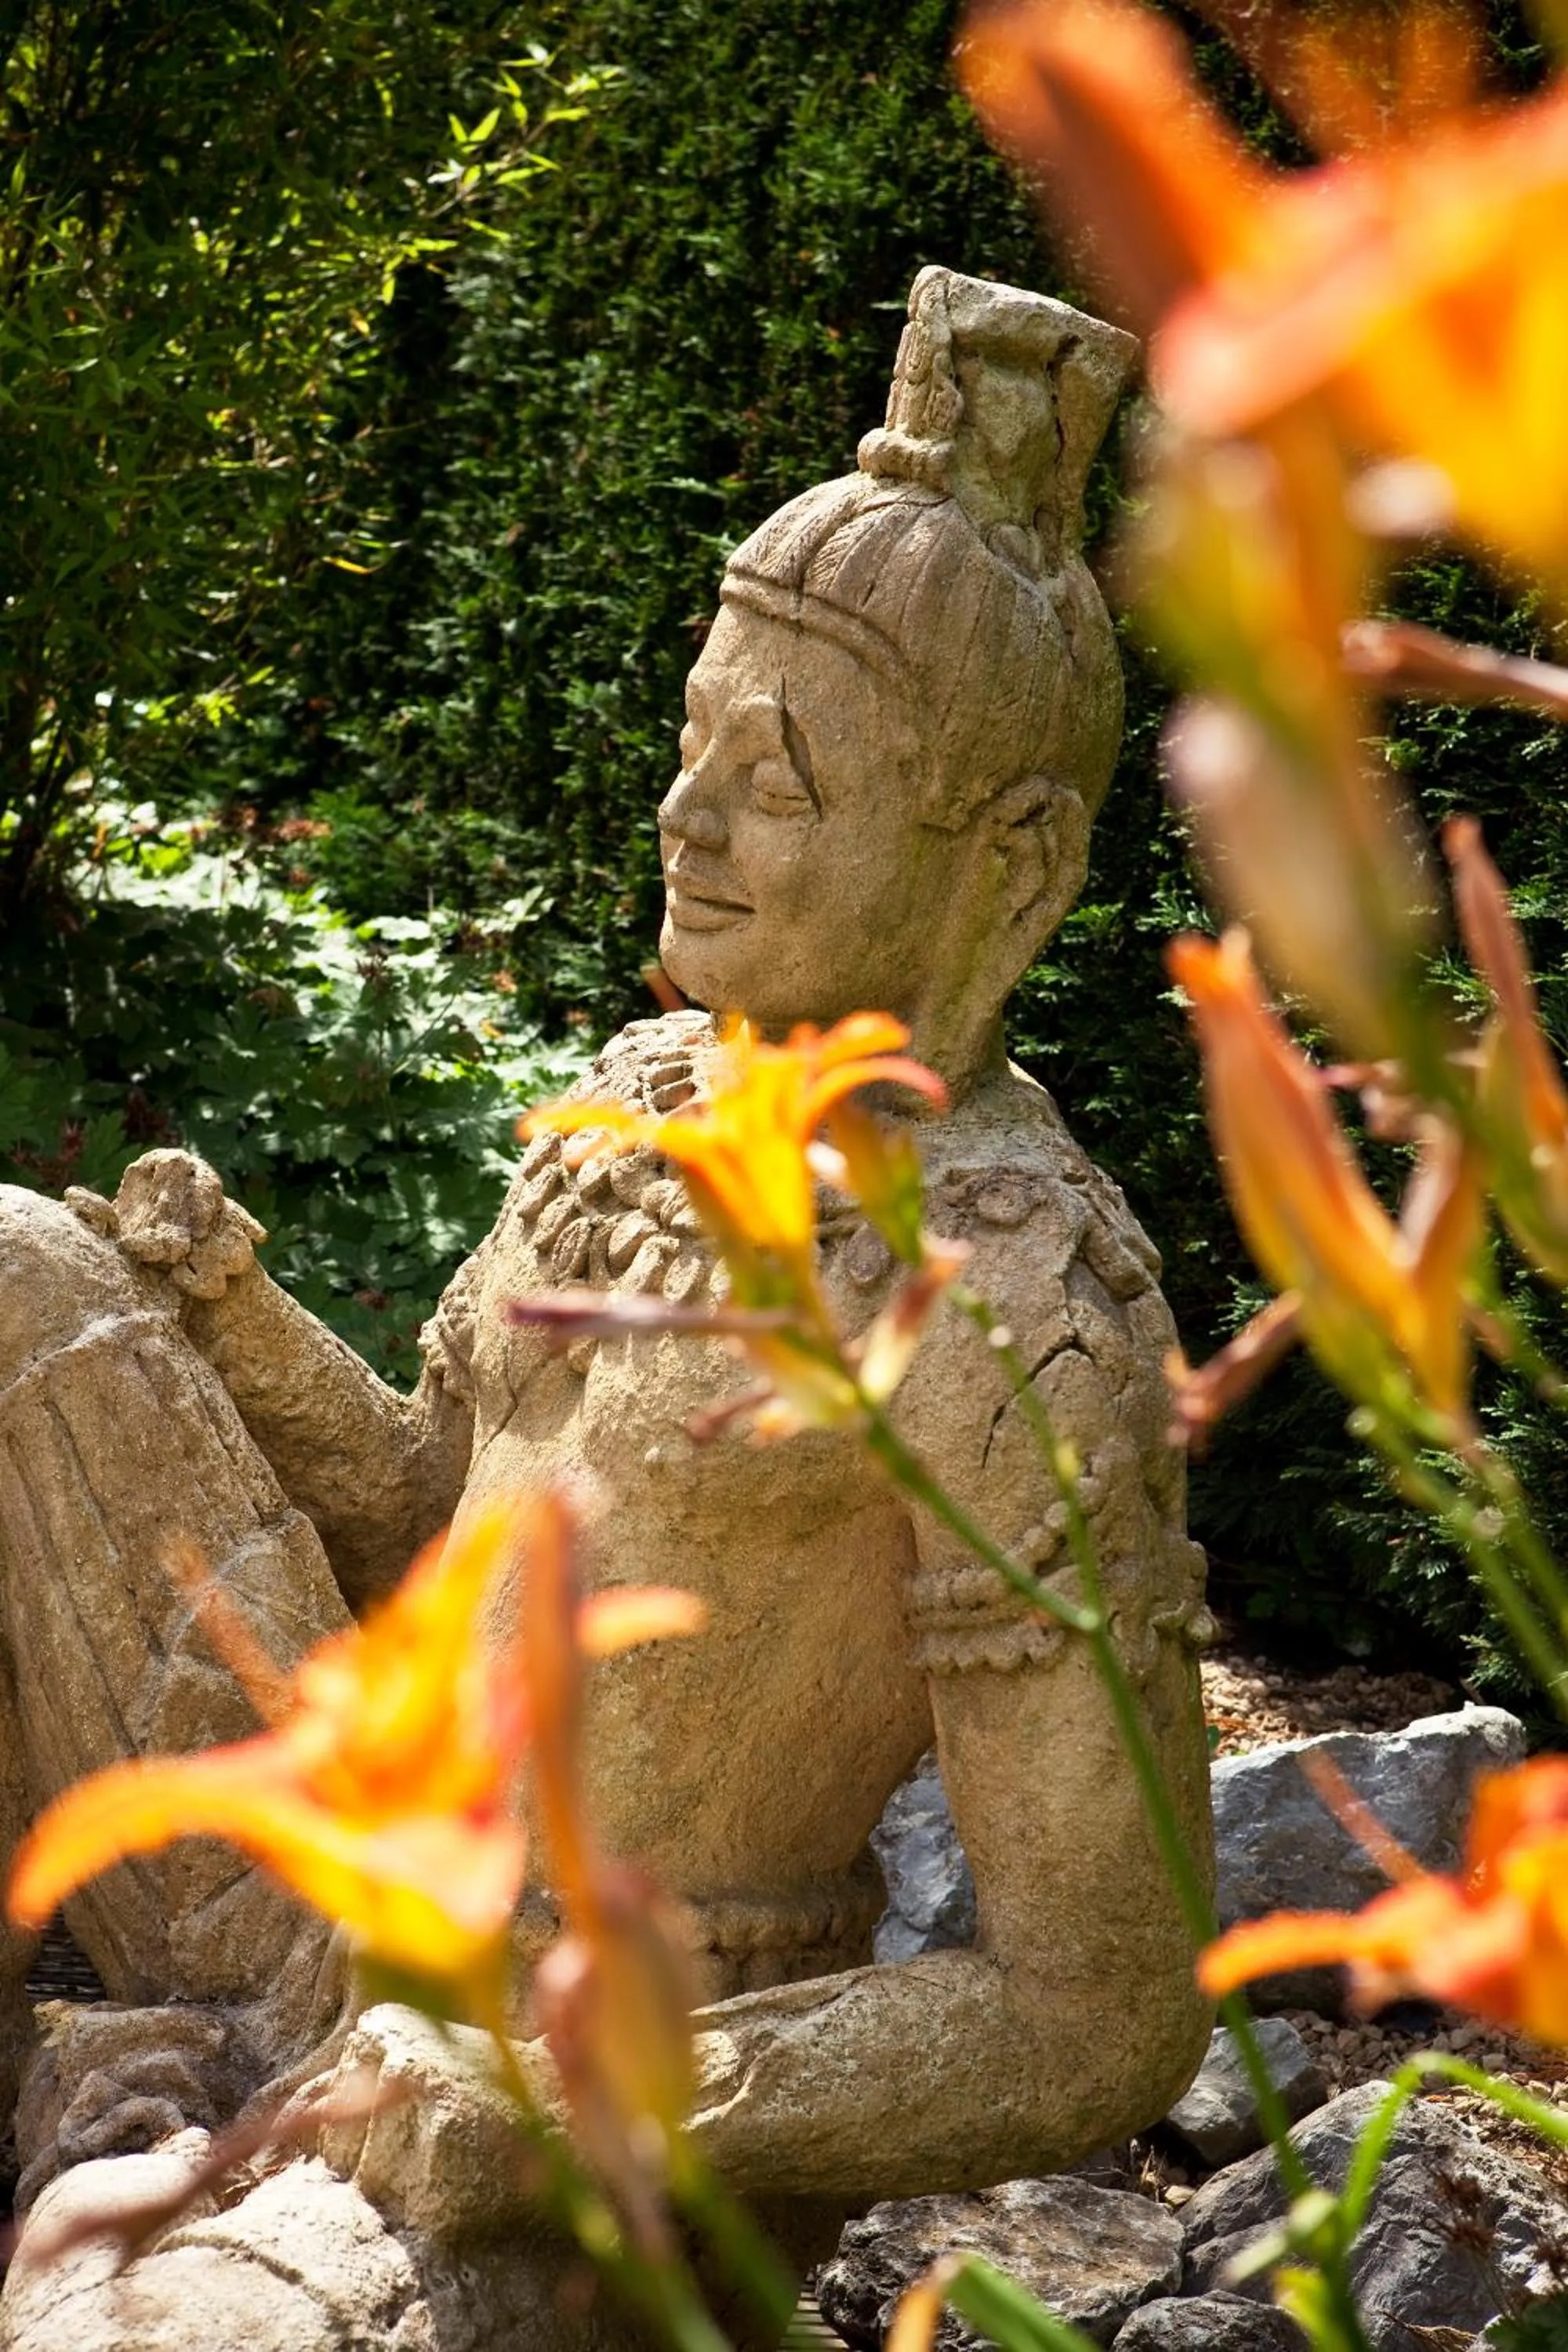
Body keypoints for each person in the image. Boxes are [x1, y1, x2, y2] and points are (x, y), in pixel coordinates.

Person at [0, 268, 1212, 2230]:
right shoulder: (645, 1091)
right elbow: (426, 1519)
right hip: (346, 1869)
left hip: (566, 2042)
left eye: (783, 780)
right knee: (10, 1276)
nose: (687, 817)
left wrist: (574, 2120)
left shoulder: (1007, 1306)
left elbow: (1098, 2016)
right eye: (696, 741)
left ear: (1006, 868)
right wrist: (236, 1319)